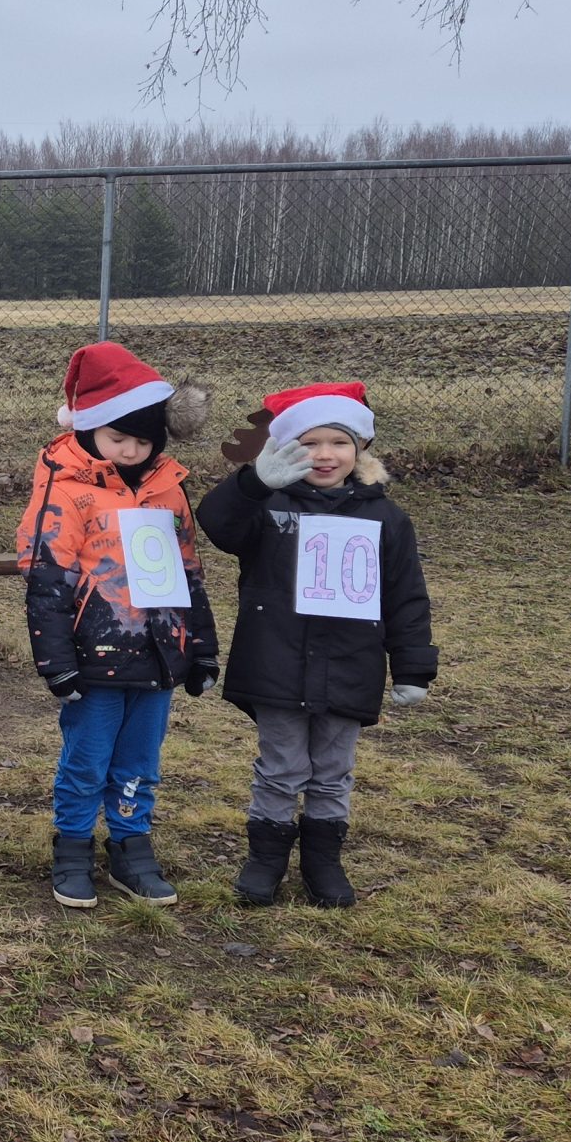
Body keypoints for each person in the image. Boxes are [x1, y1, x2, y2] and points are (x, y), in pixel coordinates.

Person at [195, 380, 438, 907]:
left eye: (339, 442)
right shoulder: (268, 506)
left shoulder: (386, 518)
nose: (325, 454)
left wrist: (413, 666)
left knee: (332, 771)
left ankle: (323, 860)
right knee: (280, 768)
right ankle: (265, 858)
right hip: (276, 662)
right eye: (309, 443)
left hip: (351, 665)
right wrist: (252, 484)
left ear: (360, 448)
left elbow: (405, 594)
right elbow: (216, 524)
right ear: (286, 448)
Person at [14, 343, 219, 910]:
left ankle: (131, 845)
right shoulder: (64, 490)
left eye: (144, 442)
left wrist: (201, 648)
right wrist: (55, 660)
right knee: (87, 759)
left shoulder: (169, 490)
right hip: (94, 654)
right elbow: (47, 579)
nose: (131, 451)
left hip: (159, 654)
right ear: (90, 429)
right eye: (118, 438)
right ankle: (73, 846)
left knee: (139, 761)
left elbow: (188, 572)